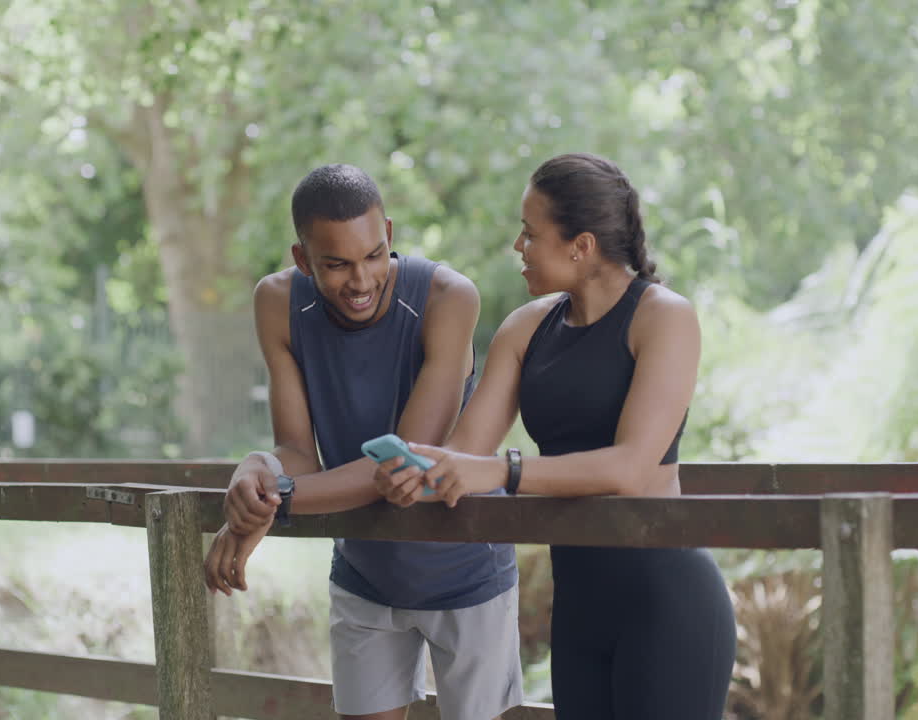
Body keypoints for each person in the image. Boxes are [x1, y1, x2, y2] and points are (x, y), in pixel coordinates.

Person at [377, 153, 736, 719]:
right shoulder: (526, 328)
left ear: (581, 245)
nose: (518, 248)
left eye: (529, 234)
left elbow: (630, 468)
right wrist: (420, 474)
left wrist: (502, 470)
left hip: (667, 599)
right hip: (579, 605)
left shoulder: (663, 317)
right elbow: (466, 456)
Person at [202, 164, 522, 720]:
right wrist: (257, 472)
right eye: (337, 264)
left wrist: (269, 504)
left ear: (390, 234)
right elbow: (297, 451)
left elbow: (404, 460)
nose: (362, 280)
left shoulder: (450, 297)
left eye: (374, 255)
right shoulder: (277, 301)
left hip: (466, 572)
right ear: (303, 259)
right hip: (364, 572)